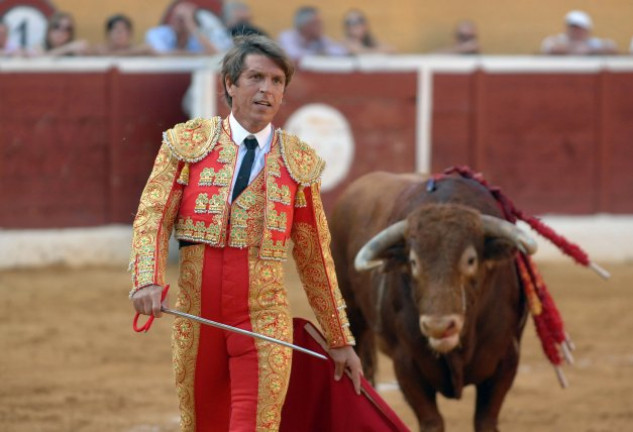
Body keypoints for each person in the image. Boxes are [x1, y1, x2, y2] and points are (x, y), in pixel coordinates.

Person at [129, 35, 362, 431]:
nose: (266, 90)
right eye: (255, 77)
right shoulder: (188, 145)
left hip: (263, 321)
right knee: (204, 424)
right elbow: (153, 216)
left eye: (276, 81)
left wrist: (340, 337)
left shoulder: (298, 163)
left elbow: (314, 255)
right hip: (197, 319)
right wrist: (146, 279)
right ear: (230, 84)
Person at [145, 1, 222, 55]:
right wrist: (197, 55)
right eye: (174, 16)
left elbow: (214, 52)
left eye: (181, 19)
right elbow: (160, 54)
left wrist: (192, 27)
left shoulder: (195, 38)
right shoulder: (156, 33)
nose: (176, 21)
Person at [277, 6, 347, 62]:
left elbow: (339, 52)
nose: (321, 27)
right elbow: (293, 55)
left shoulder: (320, 39)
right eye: (317, 23)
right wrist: (320, 55)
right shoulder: (287, 36)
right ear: (305, 25)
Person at [541, 10, 617, 55]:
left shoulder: (592, 42)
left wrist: (589, 50)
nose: (576, 31)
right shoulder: (560, 40)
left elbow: (611, 47)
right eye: (573, 28)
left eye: (580, 28)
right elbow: (549, 46)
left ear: (587, 30)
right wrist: (574, 49)